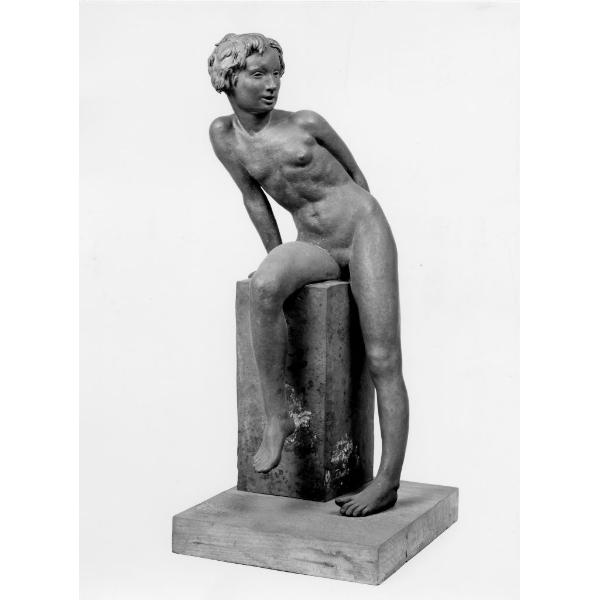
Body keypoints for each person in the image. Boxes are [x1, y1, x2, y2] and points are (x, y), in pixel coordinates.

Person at [207, 33, 409, 517]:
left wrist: (364, 234)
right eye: (259, 74)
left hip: (362, 230)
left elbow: (360, 180)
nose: (272, 84)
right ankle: (277, 418)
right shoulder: (224, 136)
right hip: (314, 242)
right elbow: (254, 198)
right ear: (228, 78)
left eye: (277, 74)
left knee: (383, 357)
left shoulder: (306, 122)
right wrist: (279, 258)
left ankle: (387, 481)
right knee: (264, 286)